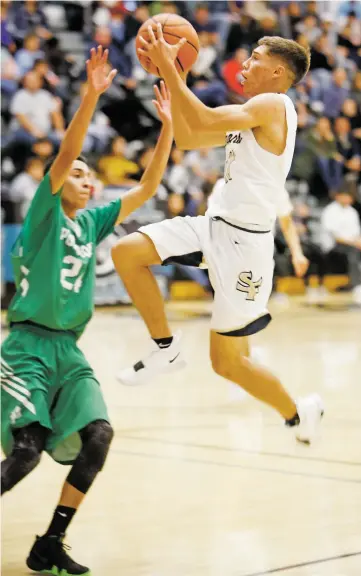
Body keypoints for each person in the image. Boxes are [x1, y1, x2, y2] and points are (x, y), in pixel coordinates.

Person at [1, 46, 173, 575]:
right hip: (27, 347)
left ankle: (49, 543)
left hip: (68, 353)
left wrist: (167, 128)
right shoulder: (45, 213)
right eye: (78, 174)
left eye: (89, 176)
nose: (87, 179)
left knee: (98, 436)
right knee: (27, 451)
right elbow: (65, 152)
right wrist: (91, 96)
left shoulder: (91, 222)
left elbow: (146, 186)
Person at [112, 30, 324, 444]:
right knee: (127, 251)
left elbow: (205, 120)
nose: (243, 65)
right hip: (214, 226)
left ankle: (299, 413)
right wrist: (176, 93)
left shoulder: (274, 105)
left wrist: (176, 71)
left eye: (254, 58)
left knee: (226, 364)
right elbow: (192, 137)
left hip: (246, 248)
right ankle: (165, 347)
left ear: (277, 71)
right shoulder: (253, 113)